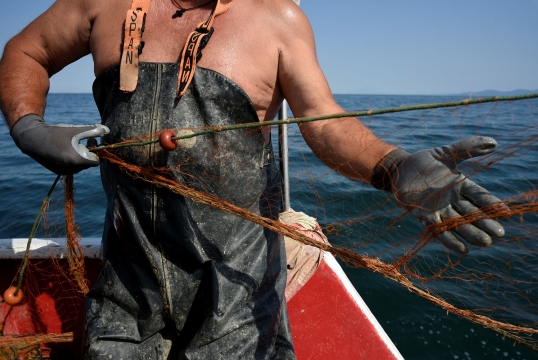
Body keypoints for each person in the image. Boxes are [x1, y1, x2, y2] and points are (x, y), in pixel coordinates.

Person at [0, 0, 506, 358]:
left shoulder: (278, 18)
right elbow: (26, 50)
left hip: (237, 290)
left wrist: (392, 165)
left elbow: (322, 119)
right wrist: (28, 126)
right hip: (128, 281)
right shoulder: (102, 4)